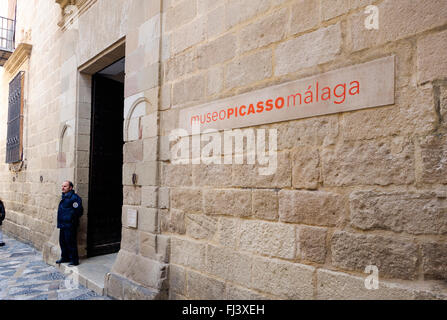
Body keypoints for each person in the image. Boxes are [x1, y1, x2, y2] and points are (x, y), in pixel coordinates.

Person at [56, 181, 83, 266]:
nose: (63, 188)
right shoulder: (64, 196)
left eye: (65, 186)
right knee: (62, 242)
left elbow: (79, 211)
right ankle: (65, 257)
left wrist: (71, 220)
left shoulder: (75, 198)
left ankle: (74, 260)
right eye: (62, 186)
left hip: (70, 225)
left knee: (71, 242)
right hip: (63, 224)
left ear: (70, 188)